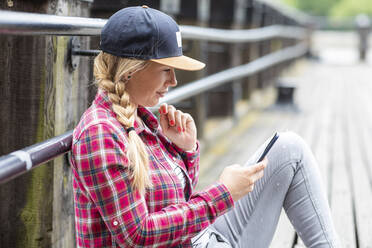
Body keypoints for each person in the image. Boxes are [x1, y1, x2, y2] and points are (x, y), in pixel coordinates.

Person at [70, 6, 341, 248]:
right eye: (166, 69)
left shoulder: (140, 117)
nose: (174, 81)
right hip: (199, 239)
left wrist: (186, 151)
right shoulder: (100, 134)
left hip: (201, 238)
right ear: (131, 69)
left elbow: (176, 200)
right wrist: (222, 194)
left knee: (289, 148)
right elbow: (137, 235)